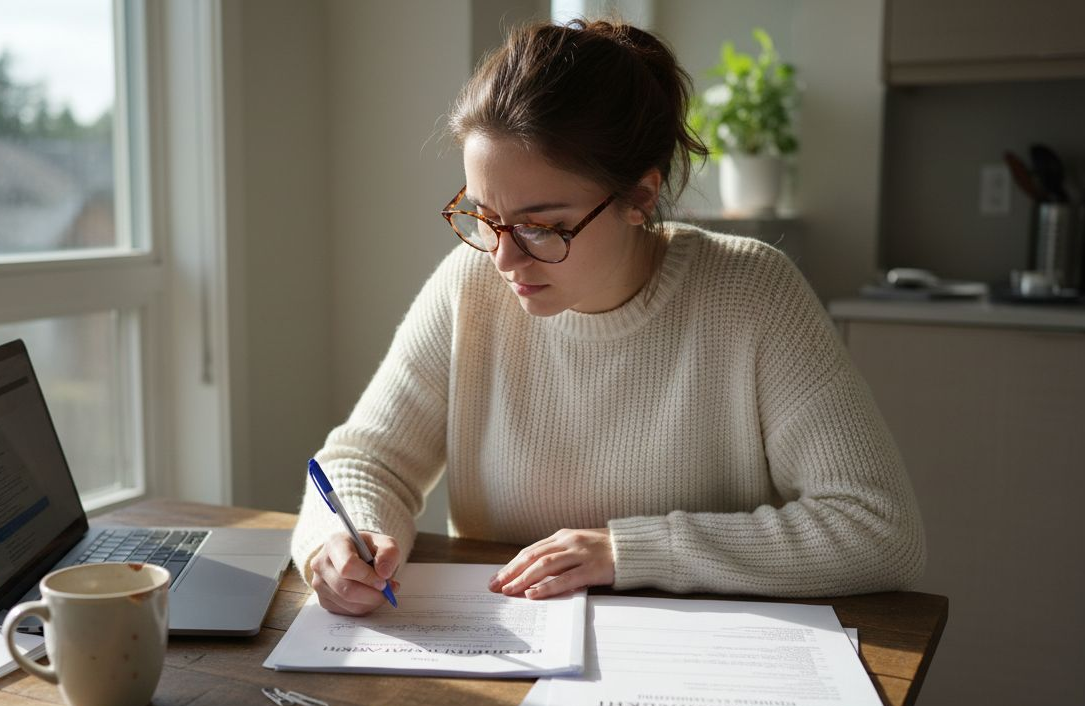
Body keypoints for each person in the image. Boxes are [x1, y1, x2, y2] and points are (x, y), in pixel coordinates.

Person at [291, 18, 925, 616]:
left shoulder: (751, 292)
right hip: (507, 657)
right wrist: (341, 543)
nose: (505, 257)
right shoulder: (471, 287)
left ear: (639, 197)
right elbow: (367, 462)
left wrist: (629, 551)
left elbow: (877, 527)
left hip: (699, 672)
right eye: (484, 217)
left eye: (544, 227)